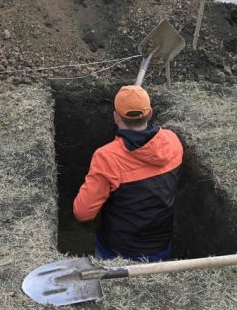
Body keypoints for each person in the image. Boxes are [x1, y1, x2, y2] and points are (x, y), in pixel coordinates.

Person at [73, 85, 183, 262]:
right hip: (161, 247)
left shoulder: (107, 157)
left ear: (116, 116)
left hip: (118, 252)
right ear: (150, 114)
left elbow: (83, 213)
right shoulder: (172, 141)